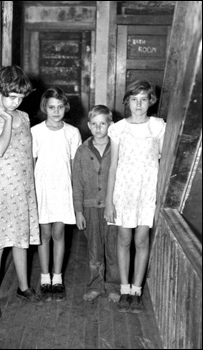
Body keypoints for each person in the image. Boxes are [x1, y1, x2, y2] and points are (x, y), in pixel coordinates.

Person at [0, 65, 44, 322]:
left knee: (20, 238)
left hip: (22, 185)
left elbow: (26, 153)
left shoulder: (25, 117)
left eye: (20, 98)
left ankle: (24, 287)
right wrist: (6, 121)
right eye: (11, 97)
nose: (16, 103)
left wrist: (30, 183)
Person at [104, 80, 166, 313]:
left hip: (147, 192)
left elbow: (163, 161)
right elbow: (113, 167)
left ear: (150, 101)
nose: (138, 104)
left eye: (143, 100)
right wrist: (109, 201)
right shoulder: (118, 128)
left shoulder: (158, 126)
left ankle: (137, 290)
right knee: (124, 240)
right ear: (127, 101)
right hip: (124, 192)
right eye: (134, 99)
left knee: (141, 240)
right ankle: (124, 288)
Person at [31, 87, 82, 302]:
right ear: (45, 108)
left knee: (59, 233)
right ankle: (45, 276)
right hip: (41, 188)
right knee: (44, 234)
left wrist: (74, 192)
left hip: (62, 189)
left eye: (60, 107)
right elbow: (31, 163)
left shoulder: (72, 132)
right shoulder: (35, 131)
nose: (56, 111)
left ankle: (57, 277)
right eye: (51, 107)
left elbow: (74, 165)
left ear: (65, 108)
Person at [73, 105, 120, 302]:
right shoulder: (83, 151)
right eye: (94, 124)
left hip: (113, 207)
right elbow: (77, 182)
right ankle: (96, 285)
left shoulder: (117, 149)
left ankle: (114, 286)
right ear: (88, 125)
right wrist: (78, 211)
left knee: (113, 248)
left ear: (111, 125)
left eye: (103, 123)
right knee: (94, 249)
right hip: (90, 207)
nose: (99, 128)